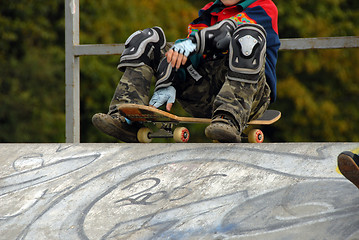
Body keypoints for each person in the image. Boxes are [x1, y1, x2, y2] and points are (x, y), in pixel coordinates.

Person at [92, 0, 281, 143]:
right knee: (145, 40)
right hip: (204, 95)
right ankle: (127, 117)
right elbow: (185, 56)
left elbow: (227, 30)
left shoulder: (264, 8)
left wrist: (195, 42)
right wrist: (168, 81)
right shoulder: (207, 14)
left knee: (246, 35)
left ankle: (229, 117)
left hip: (250, 98)